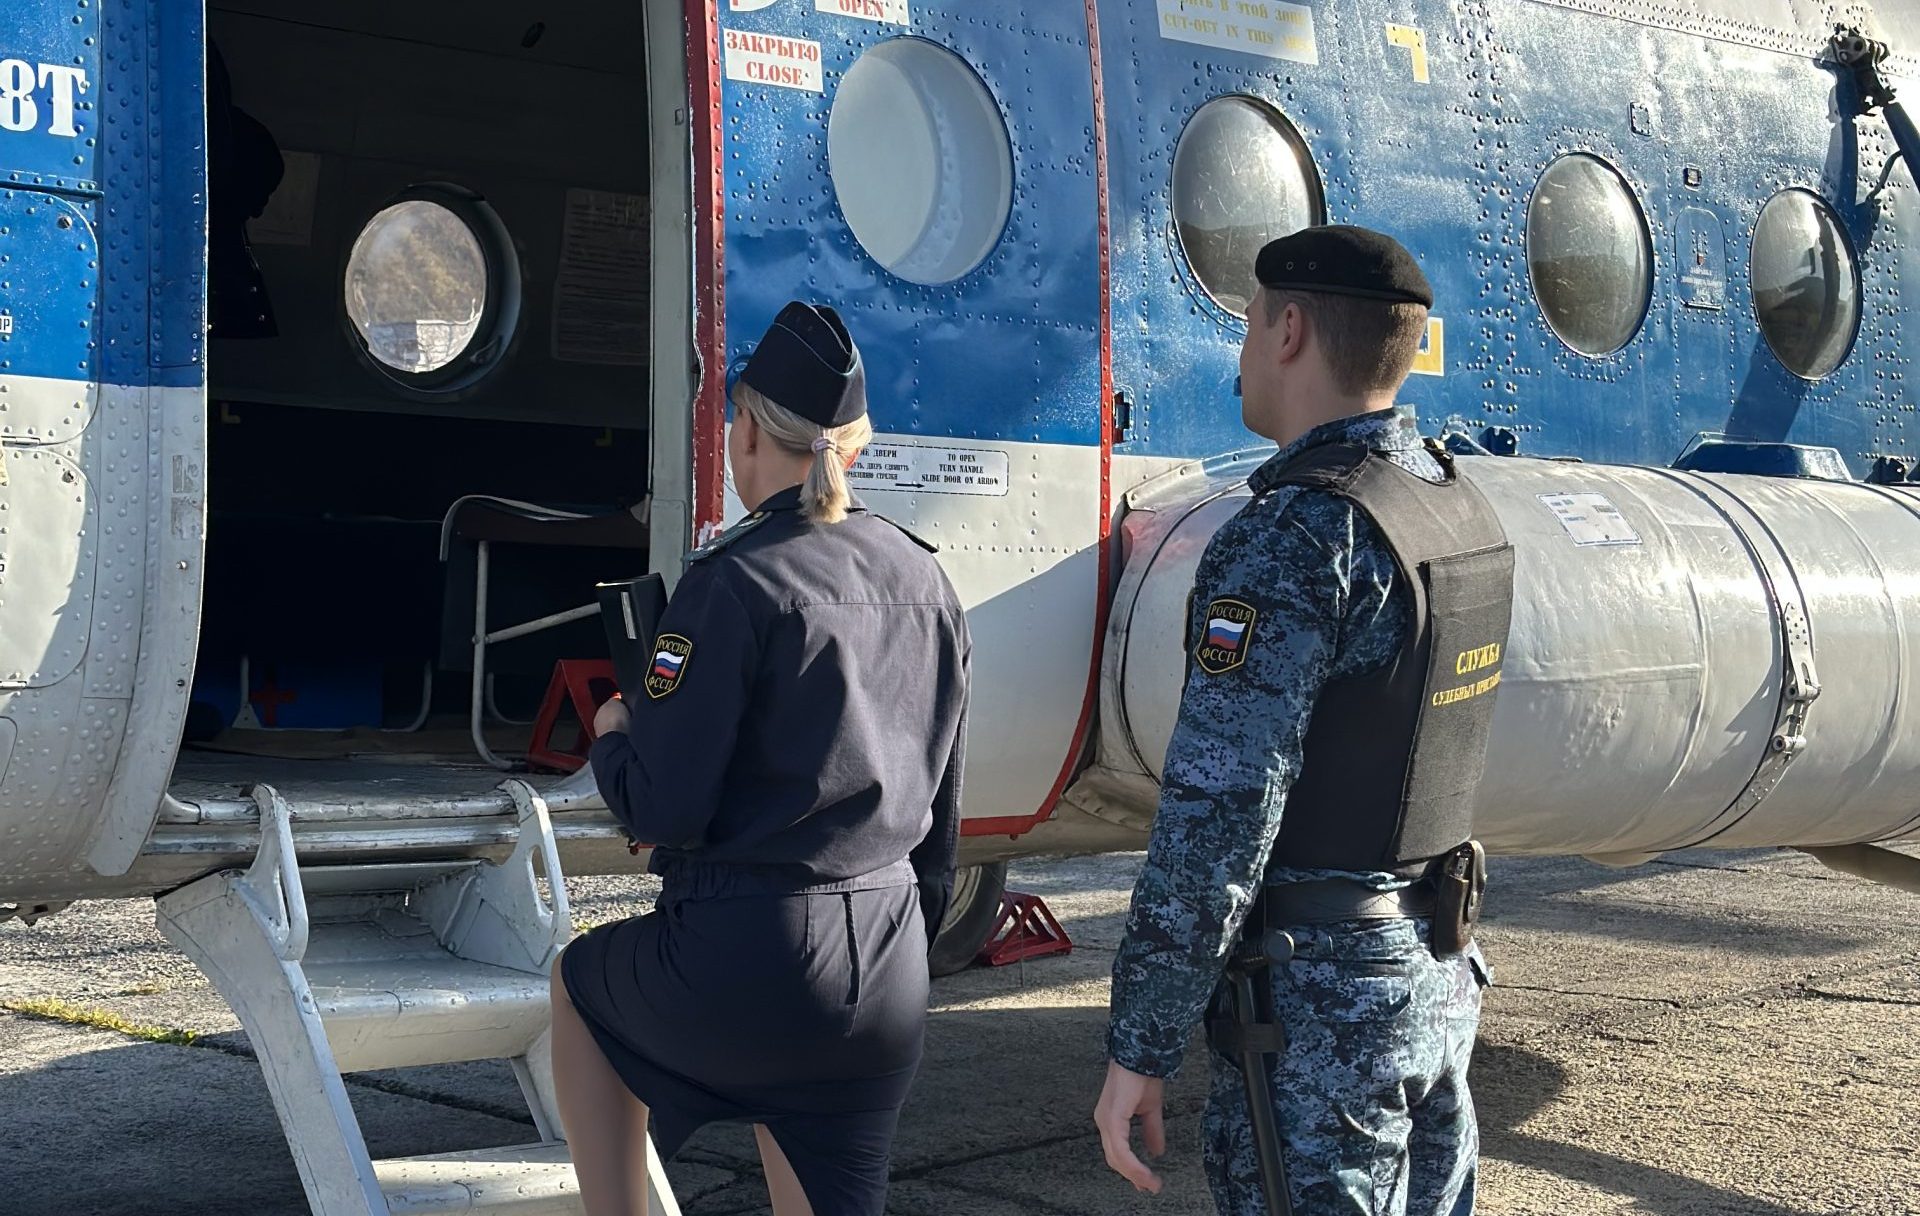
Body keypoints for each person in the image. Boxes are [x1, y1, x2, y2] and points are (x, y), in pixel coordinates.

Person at [1094, 226, 1513, 1216]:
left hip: (1323, 1018)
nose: (1240, 351)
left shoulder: (1291, 540)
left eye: (1246, 324)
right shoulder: (1457, 508)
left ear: (1288, 330)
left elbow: (1219, 818)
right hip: (1435, 978)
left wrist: (1139, 1046)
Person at [551, 300, 971, 1216]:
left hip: (750, 954)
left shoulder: (733, 583)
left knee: (580, 988)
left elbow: (665, 808)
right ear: (853, 446)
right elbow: (941, 816)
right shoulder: (926, 578)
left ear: (745, 431)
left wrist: (617, 736)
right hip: (889, 962)